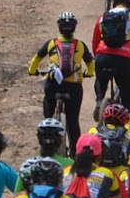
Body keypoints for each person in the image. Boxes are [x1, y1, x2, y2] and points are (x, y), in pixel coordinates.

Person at [29, 12, 95, 151]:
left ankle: (46, 143)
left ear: (59, 27)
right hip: (74, 87)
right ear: (74, 27)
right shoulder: (80, 45)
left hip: (54, 85)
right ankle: (75, 151)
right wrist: (89, 73)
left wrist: (32, 71)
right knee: (73, 121)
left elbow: (37, 58)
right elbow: (90, 63)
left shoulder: (51, 43)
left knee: (48, 114)